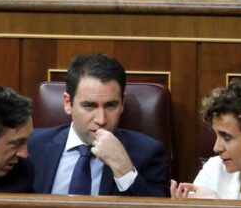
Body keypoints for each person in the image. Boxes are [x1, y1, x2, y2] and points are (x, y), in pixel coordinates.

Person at [28, 53, 168, 196]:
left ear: (122, 104)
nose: (101, 120)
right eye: (89, 106)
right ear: (68, 103)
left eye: (110, 106)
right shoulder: (32, 146)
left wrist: (123, 168)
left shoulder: (148, 153)